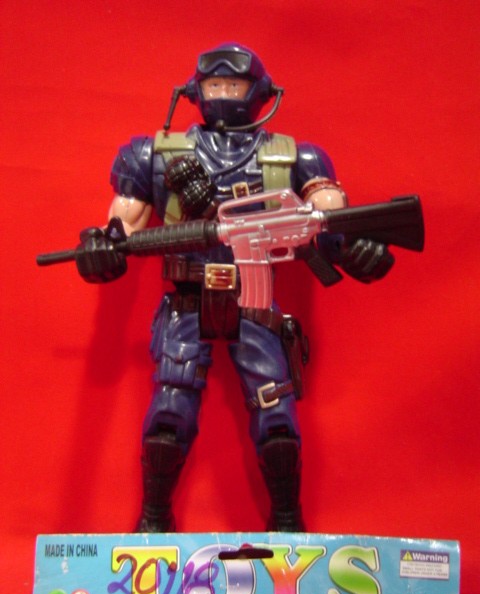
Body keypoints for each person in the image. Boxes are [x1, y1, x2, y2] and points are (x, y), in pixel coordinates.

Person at [75, 43, 394, 532]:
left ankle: (286, 519)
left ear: (259, 92)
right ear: (195, 91)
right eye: (214, 84)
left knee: (276, 416)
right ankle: (154, 519)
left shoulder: (295, 158)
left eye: (235, 84)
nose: (224, 93)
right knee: (170, 413)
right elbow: (124, 225)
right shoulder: (155, 156)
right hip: (187, 300)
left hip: (254, 300)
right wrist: (102, 247)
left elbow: (330, 219)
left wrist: (356, 248)